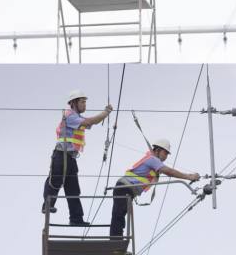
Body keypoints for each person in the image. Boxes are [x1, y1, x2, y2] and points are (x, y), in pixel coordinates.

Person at [42, 90, 113, 226]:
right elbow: (90, 121)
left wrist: (101, 116)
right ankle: (47, 205)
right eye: (82, 101)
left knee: (73, 190)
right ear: (73, 103)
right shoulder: (70, 115)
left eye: (85, 101)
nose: (84, 104)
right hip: (61, 155)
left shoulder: (77, 118)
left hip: (70, 157)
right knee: (55, 180)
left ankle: (76, 219)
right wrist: (106, 112)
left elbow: (90, 123)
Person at [110, 139, 201, 237]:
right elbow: (169, 171)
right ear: (157, 150)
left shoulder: (153, 161)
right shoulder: (153, 160)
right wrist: (189, 176)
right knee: (118, 215)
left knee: (119, 215)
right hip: (125, 188)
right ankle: (116, 242)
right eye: (165, 153)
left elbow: (165, 171)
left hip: (126, 189)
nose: (166, 156)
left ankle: (116, 240)